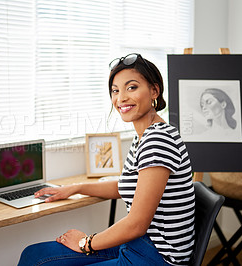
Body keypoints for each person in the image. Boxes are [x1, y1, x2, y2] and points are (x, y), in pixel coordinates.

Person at [18, 53, 195, 265]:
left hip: (156, 257)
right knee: (33, 255)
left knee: (37, 261)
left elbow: (137, 224)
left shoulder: (157, 140)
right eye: (115, 90)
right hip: (139, 243)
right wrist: (74, 188)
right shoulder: (145, 135)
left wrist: (85, 242)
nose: (121, 98)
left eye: (132, 87)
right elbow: (126, 186)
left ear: (154, 90)